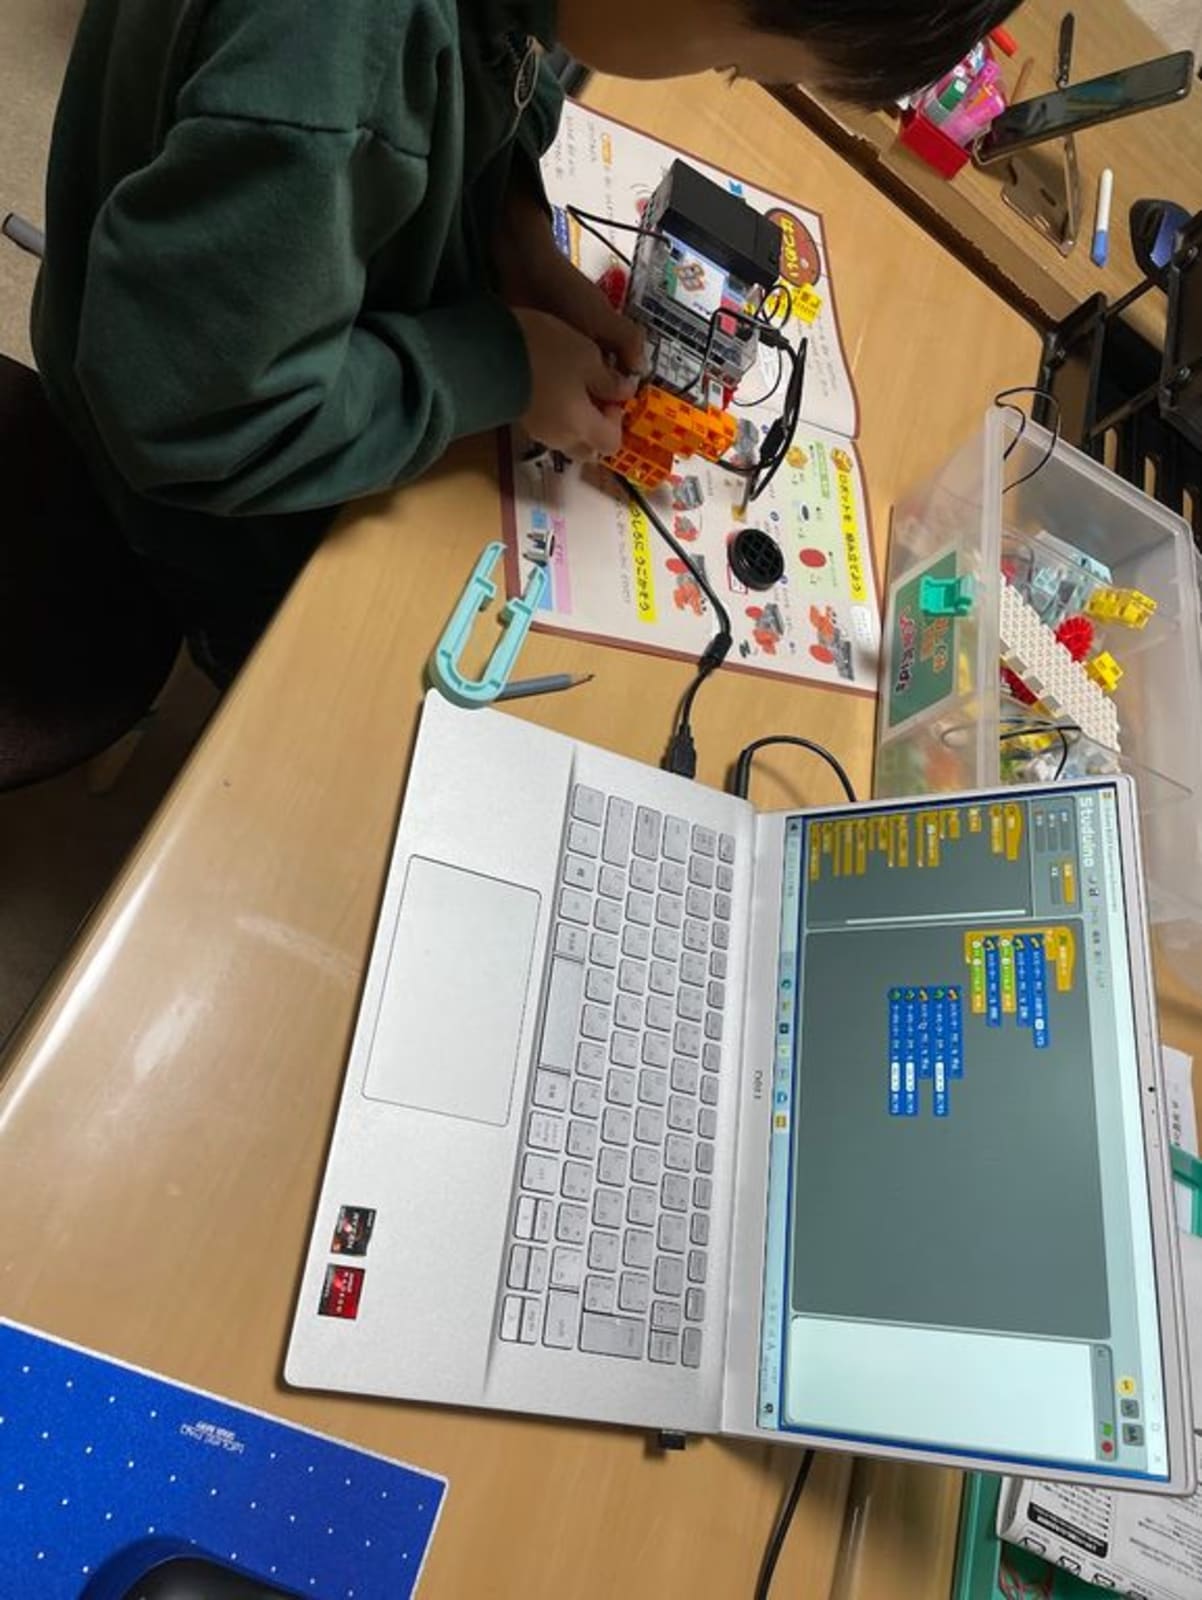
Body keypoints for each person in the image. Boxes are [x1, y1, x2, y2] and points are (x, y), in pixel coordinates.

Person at [34, 0, 1017, 683]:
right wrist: (499, 364)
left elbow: (509, 50)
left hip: (258, 311)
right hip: (211, 475)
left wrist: (514, 229)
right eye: (735, 64)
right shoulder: (326, 74)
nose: (718, 76)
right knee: (348, 689)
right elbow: (197, 422)